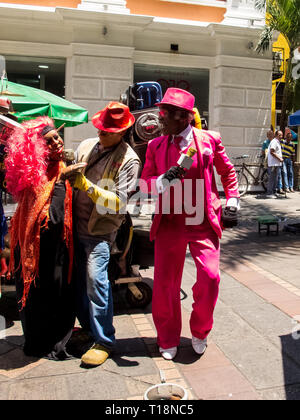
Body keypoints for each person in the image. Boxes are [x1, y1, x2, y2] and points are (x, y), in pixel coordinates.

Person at [140, 88, 239, 360]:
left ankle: (201, 330)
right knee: (165, 285)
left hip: (202, 220)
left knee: (210, 278)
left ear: (183, 117)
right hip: (170, 221)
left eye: (165, 113)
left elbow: (227, 171)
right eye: (161, 112)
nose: (160, 119)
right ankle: (168, 337)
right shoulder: (154, 146)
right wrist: (161, 181)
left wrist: (232, 201)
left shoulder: (209, 140)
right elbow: (144, 183)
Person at [64, 102, 141, 367]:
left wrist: (85, 185)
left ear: (122, 132)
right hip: (73, 226)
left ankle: (105, 340)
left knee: (97, 283)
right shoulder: (87, 146)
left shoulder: (129, 160)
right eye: (100, 129)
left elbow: (118, 203)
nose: (101, 134)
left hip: (99, 231)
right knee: (78, 283)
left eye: (107, 131)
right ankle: (87, 328)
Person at [5, 116, 82, 359]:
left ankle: (52, 335)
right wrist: (62, 181)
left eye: (57, 137)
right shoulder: (40, 176)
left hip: (56, 249)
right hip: (38, 252)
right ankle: (44, 342)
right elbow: (51, 219)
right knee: (42, 296)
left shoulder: (58, 167)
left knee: (57, 293)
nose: (57, 142)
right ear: (37, 150)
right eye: (48, 142)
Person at [266, 130, 283, 198]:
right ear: (276, 135)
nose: (281, 136)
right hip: (273, 163)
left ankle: (274, 192)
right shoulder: (274, 142)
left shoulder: (277, 142)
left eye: (281, 135)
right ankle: (270, 193)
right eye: (279, 135)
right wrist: (280, 159)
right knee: (272, 178)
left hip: (276, 164)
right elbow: (272, 152)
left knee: (275, 178)